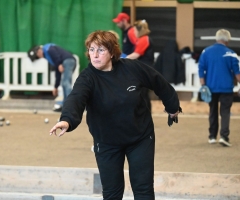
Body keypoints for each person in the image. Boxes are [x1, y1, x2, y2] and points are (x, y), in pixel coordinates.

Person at [49, 30, 181, 199]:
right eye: (91, 49)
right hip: (106, 142)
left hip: (140, 137)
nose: (95, 55)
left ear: (112, 52)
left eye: (101, 50)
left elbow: (159, 82)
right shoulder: (87, 78)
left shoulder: (132, 68)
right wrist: (66, 120)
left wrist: (172, 106)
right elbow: (76, 98)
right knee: (112, 192)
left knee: (143, 189)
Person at [198, 29, 240, 147]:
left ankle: (212, 136)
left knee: (213, 111)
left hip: (211, 87)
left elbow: (201, 69)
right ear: (227, 40)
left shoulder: (206, 51)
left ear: (217, 38)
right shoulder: (231, 53)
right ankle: (224, 136)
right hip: (226, 88)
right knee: (225, 112)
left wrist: (203, 85)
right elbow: (237, 73)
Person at [27, 44, 76, 112]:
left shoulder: (48, 48)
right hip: (67, 61)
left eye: (37, 54)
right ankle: (66, 105)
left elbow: (55, 55)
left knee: (66, 82)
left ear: (39, 50)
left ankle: (72, 105)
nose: (38, 56)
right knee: (64, 83)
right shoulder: (48, 57)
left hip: (68, 60)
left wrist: (59, 64)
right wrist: (56, 87)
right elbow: (57, 72)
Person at [127, 19, 155, 111]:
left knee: (142, 93)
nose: (134, 32)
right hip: (143, 69)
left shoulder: (144, 39)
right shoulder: (142, 39)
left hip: (144, 70)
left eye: (135, 30)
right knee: (142, 93)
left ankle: (145, 114)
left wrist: (122, 59)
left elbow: (136, 54)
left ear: (139, 30)